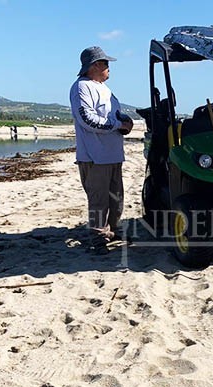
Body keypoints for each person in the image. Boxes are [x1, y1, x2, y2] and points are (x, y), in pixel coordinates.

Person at [70, 46, 133, 253]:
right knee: (98, 199)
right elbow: (87, 119)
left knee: (116, 196)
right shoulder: (82, 87)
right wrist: (117, 125)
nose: (109, 68)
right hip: (94, 155)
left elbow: (113, 116)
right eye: (106, 64)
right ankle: (98, 235)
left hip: (113, 153)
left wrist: (125, 122)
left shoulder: (105, 89)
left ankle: (114, 230)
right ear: (95, 65)